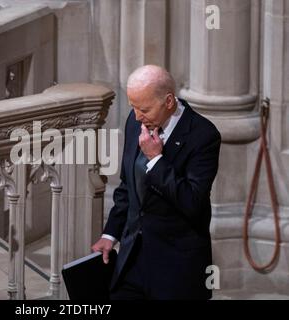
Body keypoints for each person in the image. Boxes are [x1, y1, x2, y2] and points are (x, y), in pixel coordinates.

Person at [92, 65, 221, 300]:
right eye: (133, 107)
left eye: (144, 109)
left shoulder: (203, 135)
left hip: (176, 268)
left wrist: (156, 159)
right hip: (132, 262)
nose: (137, 116)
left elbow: (192, 201)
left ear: (169, 101)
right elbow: (126, 187)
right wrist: (110, 235)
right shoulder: (135, 121)